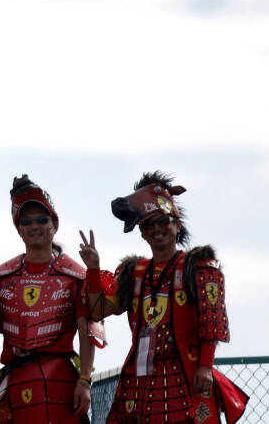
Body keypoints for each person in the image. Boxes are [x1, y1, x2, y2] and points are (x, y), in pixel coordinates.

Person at [79, 171, 247, 424]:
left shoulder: (198, 265)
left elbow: (211, 320)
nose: (156, 229)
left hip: (186, 375)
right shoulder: (133, 272)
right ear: (142, 233)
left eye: (163, 221)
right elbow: (99, 310)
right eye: (148, 224)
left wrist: (205, 366)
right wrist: (93, 269)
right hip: (141, 379)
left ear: (177, 225)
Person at [0, 175, 98, 424]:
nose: (35, 226)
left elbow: (89, 329)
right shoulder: (0, 278)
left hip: (62, 382)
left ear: (54, 225)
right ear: (19, 229)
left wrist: (85, 381)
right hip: (16, 381)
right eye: (27, 221)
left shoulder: (76, 276)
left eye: (42, 220)